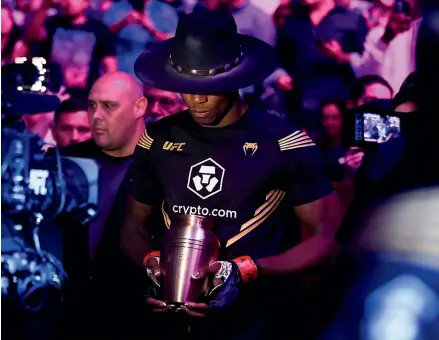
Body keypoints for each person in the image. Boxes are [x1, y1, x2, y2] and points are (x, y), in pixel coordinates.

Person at [122, 11, 340, 339]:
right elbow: (132, 227)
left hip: (256, 321)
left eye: (211, 86)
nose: (197, 99)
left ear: (237, 79)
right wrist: (153, 263)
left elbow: (327, 237)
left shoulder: (284, 142)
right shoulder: (156, 138)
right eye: (186, 87)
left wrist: (246, 270)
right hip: (170, 322)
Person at [52, 71, 148, 339]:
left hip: (137, 319)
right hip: (69, 317)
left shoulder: (165, 164)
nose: (96, 116)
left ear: (139, 107)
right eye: (92, 105)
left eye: (109, 106)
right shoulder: (64, 161)